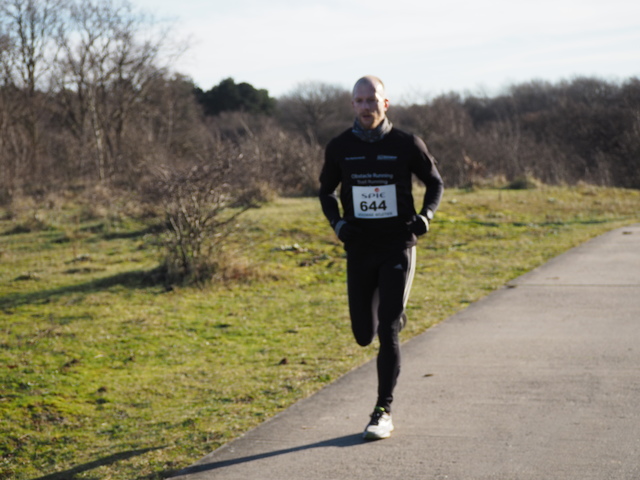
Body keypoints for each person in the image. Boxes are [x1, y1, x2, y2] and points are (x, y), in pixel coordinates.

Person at [318, 75, 444, 440]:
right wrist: (338, 225)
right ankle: (390, 312)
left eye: (372, 100)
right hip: (359, 248)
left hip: (397, 246)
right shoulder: (340, 147)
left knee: (387, 330)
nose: (366, 107)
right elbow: (326, 192)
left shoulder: (406, 144)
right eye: (359, 101)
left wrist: (425, 218)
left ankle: (381, 412)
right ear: (352, 105)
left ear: (384, 104)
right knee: (363, 334)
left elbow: (435, 182)